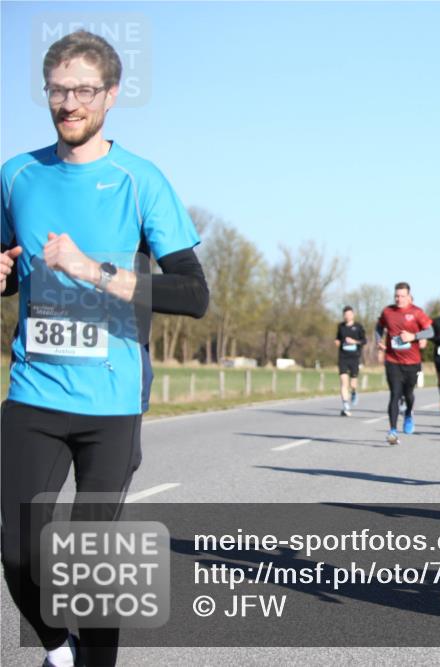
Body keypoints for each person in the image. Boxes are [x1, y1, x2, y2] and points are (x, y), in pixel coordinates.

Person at [0, 30, 208, 667]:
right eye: (58, 90)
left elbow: (193, 295)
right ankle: (58, 647)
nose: (70, 102)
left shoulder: (139, 180)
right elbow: (7, 266)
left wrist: (93, 270)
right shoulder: (16, 175)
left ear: (111, 95)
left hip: (111, 399)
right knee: (18, 553)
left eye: (84, 90)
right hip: (33, 389)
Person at [376, 282, 433, 444]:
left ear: (409, 296)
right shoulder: (388, 311)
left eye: (402, 296)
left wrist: (414, 337)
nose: (399, 299)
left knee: (408, 394)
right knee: (394, 394)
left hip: (412, 362)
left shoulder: (416, 312)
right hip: (392, 360)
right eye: (396, 296)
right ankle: (392, 430)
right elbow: (379, 327)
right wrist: (379, 340)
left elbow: (430, 331)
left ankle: (408, 413)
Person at [334, 306, 367, 416]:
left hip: (354, 357)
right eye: (345, 314)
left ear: (353, 315)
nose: (347, 316)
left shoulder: (358, 327)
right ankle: (346, 406)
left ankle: (354, 392)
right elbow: (338, 338)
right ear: (343, 316)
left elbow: (364, 341)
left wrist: (354, 342)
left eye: (349, 314)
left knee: (353, 384)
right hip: (343, 357)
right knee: (344, 382)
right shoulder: (341, 327)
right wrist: (337, 342)